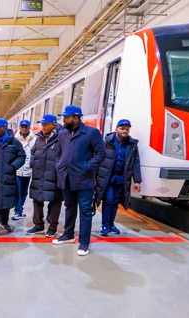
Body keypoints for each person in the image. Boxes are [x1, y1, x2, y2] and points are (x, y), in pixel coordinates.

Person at [53, 105, 105, 256]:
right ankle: (68, 235)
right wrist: (59, 166)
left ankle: (84, 242)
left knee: (85, 210)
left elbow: (101, 153)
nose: (63, 119)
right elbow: (58, 154)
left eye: (66, 117)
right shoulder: (62, 134)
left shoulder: (91, 133)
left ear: (76, 118)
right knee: (69, 207)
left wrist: (87, 167)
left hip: (84, 179)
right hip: (66, 177)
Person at [95, 119, 142, 236]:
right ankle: (105, 225)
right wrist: (94, 176)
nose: (124, 131)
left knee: (116, 201)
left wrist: (137, 181)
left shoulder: (132, 145)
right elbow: (98, 158)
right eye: (122, 128)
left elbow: (136, 163)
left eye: (127, 129)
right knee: (108, 199)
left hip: (122, 178)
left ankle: (111, 224)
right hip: (108, 177)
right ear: (116, 129)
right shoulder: (107, 142)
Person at [26, 114, 63, 238]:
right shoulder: (39, 138)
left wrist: (58, 169)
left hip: (54, 175)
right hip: (38, 174)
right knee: (37, 200)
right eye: (42, 124)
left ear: (54, 125)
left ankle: (52, 228)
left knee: (55, 201)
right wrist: (33, 163)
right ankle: (38, 226)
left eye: (46, 124)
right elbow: (33, 152)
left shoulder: (61, 137)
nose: (43, 127)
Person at [13, 120, 36, 220]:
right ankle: (17, 211)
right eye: (22, 126)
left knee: (24, 191)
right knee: (17, 190)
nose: (24, 128)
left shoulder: (35, 139)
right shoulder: (14, 139)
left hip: (28, 169)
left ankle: (20, 209)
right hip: (17, 169)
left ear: (29, 127)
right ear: (19, 128)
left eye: (26, 126)